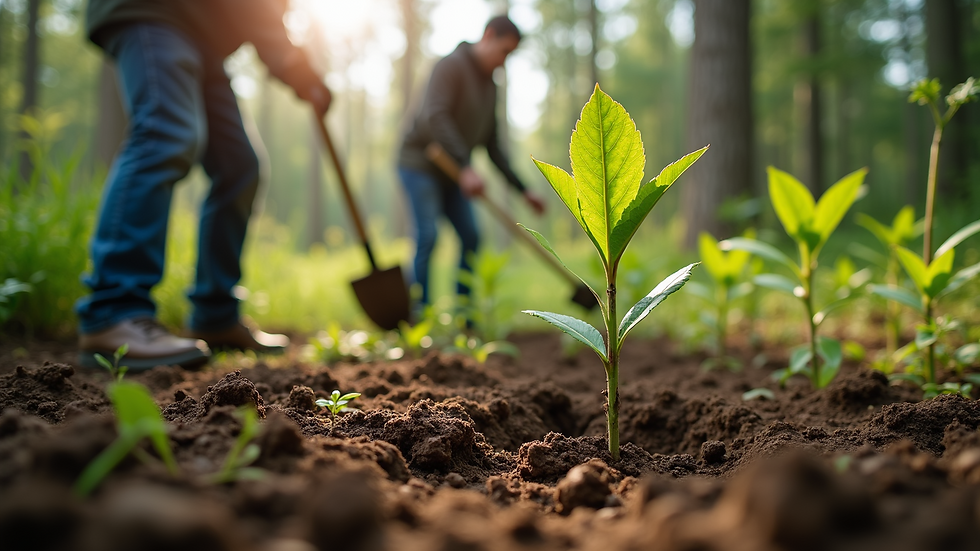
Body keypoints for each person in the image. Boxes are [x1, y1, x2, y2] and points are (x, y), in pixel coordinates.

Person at [76, 0, 331, 370]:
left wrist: (296, 66)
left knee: (239, 166)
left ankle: (216, 314)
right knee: (165, 134)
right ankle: (114, 311)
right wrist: (294, 65)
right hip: (153, 12)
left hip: (200, 32)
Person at [397, 15, 546, 313]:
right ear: (488, 35)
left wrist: (523, 189)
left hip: (453, 175)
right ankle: (418, 317)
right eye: (504, 51)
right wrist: (465, 166)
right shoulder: (450, 66)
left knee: (471, 236)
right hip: (420, 164)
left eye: (510, 56)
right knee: (428, 235)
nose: (504, 62)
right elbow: (435, 117)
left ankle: (464, 316)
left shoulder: (490, 88)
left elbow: (493, 146)